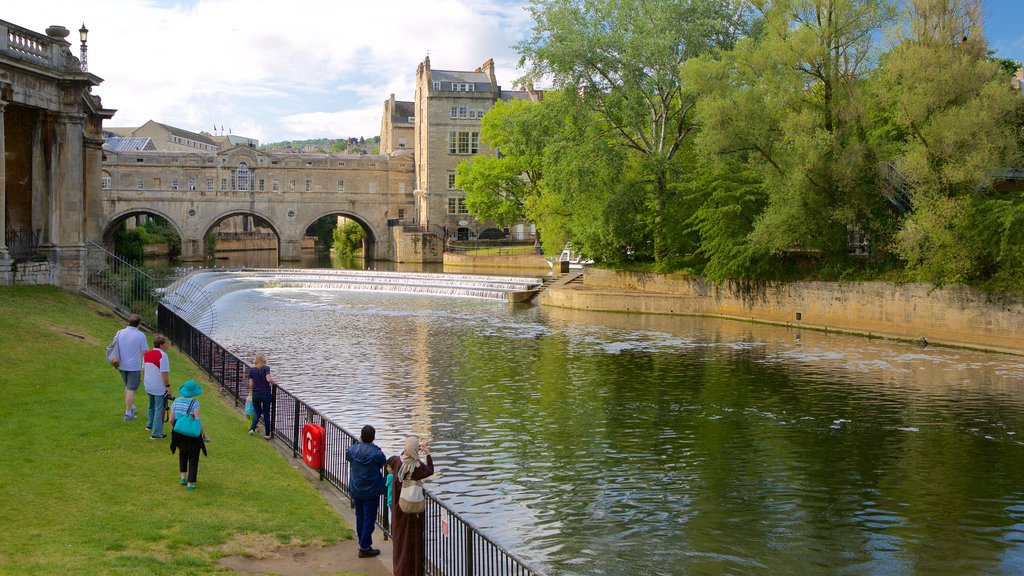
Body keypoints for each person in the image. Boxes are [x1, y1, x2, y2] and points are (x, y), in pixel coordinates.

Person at [387, 435, 435, 576]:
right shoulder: (416, 466)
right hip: (411, 509)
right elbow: (430, 470)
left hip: (398, 507)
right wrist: (427, 453)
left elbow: (400, 457)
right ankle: (412, 571)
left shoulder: (397, 461)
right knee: (411, 542)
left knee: (400, 542)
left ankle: (400, 570)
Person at [345, 425, 387, 558]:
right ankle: (364, 547)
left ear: (361, 436)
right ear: (373, 437)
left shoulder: (352, 450)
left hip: (356, 488)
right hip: (371, 490)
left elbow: (348, 457)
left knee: (360, 516)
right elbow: (382, 463)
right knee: (369, 518)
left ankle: (363, 543)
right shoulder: (377, 454)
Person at [169, 380, 207, 491]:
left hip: (178, 432)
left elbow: (171, 419)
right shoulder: (195, 403)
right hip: (191, 434)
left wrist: (176, 427)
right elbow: (198, 420)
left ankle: (183, 477)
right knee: (193, 457)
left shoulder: (176, 402)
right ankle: (190, 483)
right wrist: (204, 434)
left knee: (182, 453)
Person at [111, 314, 148, 421]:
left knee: (127, 386)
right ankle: (128, 414)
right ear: (139, 324)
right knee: (131, 389)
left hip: (121, 365)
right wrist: (143, 366)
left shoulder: (120, 332)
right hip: (133, 366)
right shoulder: (140, 335)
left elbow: (114, 345)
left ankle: (130, 407)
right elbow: (145, 352)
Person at [142, 335, 172, 439]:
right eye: (167, 343)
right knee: (160, 408)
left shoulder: (147, 354)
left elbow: (144, 370)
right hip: (158, 386)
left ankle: (150, 425)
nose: (168, 345)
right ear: (162, 345)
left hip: (148, 384)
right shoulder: (163, 356)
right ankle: (156, 433)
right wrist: (168, 386)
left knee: (151, 405)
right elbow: (164, 374)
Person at [247, 353, 275, 439]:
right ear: (264, 360)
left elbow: (251, 384)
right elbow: (268, 379)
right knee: (266, 413)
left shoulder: (252, 370)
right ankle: (267, 434)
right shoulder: (266, 368)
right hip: (265, 393)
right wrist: (273, 382)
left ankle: (252, 429)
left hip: (256, 394)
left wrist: (251, 394)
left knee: (257, 413)